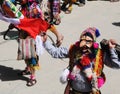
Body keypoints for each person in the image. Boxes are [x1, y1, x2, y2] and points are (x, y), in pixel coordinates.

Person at [0, 0, 63, 86]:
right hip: (23, 35)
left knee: (31, 57)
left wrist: (58, 35)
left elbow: (45, 24)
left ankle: (33, 77)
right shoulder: (24, 7)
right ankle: (28, 69)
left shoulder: (34, 9)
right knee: (25, 55)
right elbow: (21, 19)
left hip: (32, 36)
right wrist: (13, 23)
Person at [42, 27, 120, 94]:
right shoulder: (73, 50)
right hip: (73, 91)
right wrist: (45, 41)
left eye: (88, 41)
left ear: (93, 42)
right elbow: (55, 52)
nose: (85, 45)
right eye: (82, 41)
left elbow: (117, 65)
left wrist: (111, 49)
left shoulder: (100, 54)